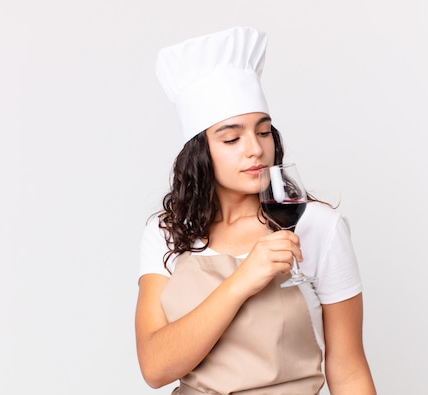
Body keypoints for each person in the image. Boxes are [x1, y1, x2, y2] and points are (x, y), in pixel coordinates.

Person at [135, 26, 376, 395]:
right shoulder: (166, 233)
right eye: (232, 138)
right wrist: (242, 281)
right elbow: (155, 367)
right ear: (199, 152)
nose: (255, 150)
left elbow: (348, 370)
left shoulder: (319, 228)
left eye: (263, 133)